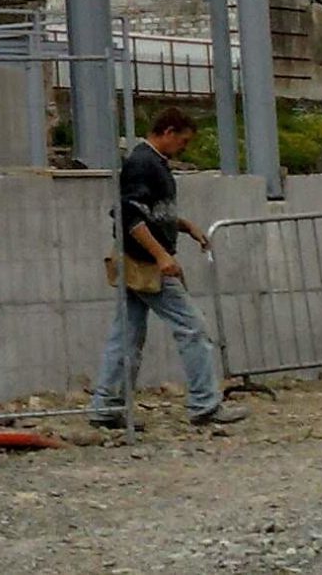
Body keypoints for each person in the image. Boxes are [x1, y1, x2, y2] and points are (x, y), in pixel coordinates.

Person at [88, 109, 246, 428]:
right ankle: (204, 403)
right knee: (192, 327)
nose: (183, 148)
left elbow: (151, 212)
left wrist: (184, 226)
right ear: (169, 131)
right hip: (146, 265)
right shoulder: (143, 163)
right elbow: (129, 216)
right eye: (183, 141)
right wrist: (162, 256)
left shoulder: (150, 162)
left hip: (134, 262)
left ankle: (107, 407)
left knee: (126, 335)